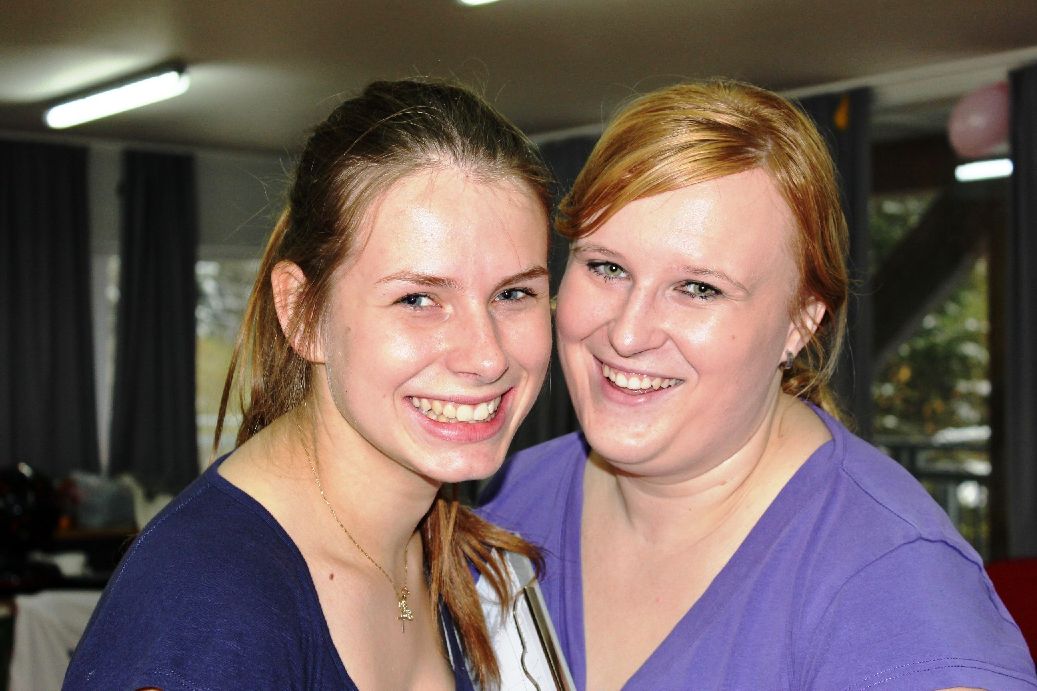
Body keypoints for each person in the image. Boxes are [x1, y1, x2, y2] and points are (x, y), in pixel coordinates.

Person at [480, 79, 1037, 689]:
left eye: (699, 288)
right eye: (607, 267)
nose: (628, 333)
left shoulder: (892, 580)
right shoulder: (503, 504)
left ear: (800, 322)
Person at [65, 79, 554, 690]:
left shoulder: (435, 539)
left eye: (514, 293)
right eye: (418, 298)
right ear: (301, 312)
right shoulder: (209, 613)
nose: (486, 357)